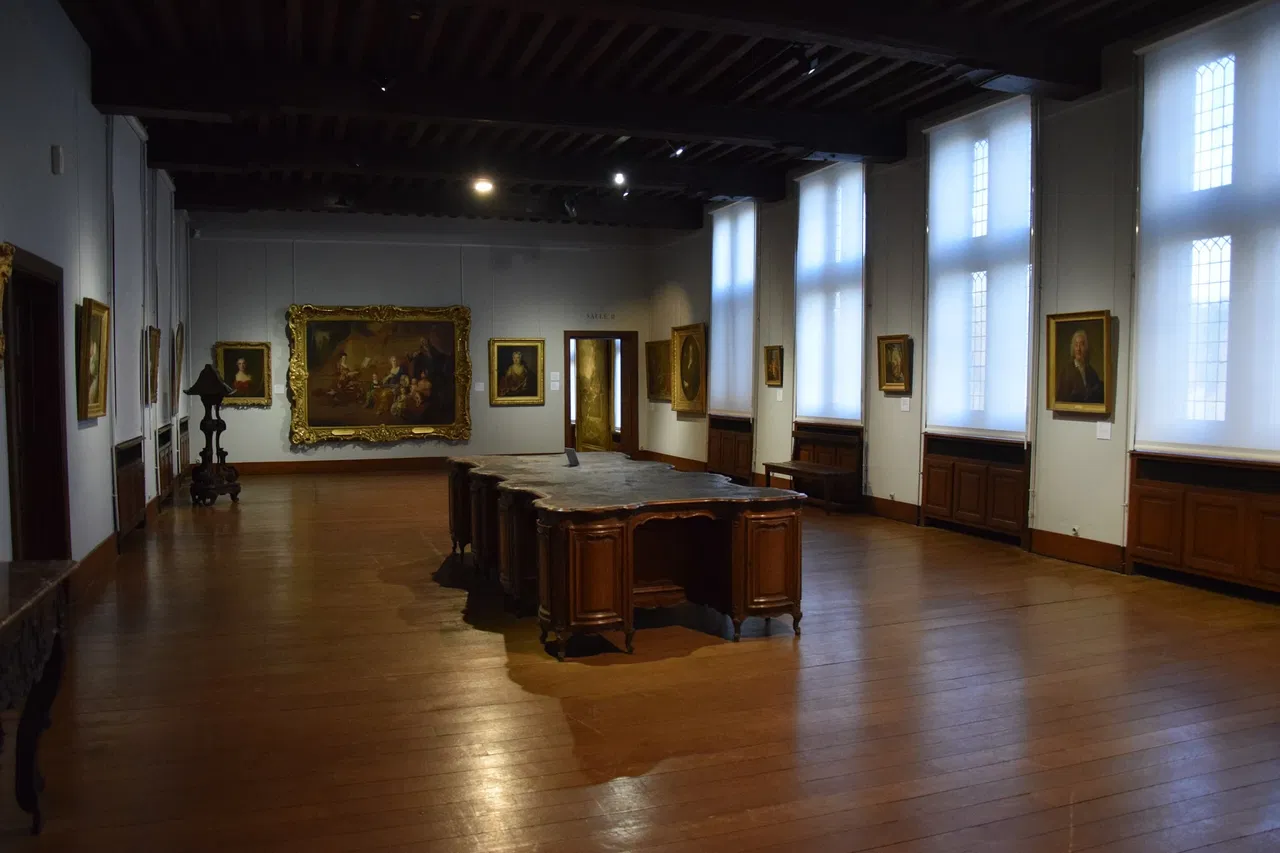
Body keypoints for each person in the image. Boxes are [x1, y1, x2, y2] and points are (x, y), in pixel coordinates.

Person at [1056, 329, 1104, 404]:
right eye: (1076, 345)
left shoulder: (1091, 371)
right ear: (1073, 348)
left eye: (1081, 345)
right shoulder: (1066, 371)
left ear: (1086, 348)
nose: (1078, 349)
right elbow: (1061, 399)